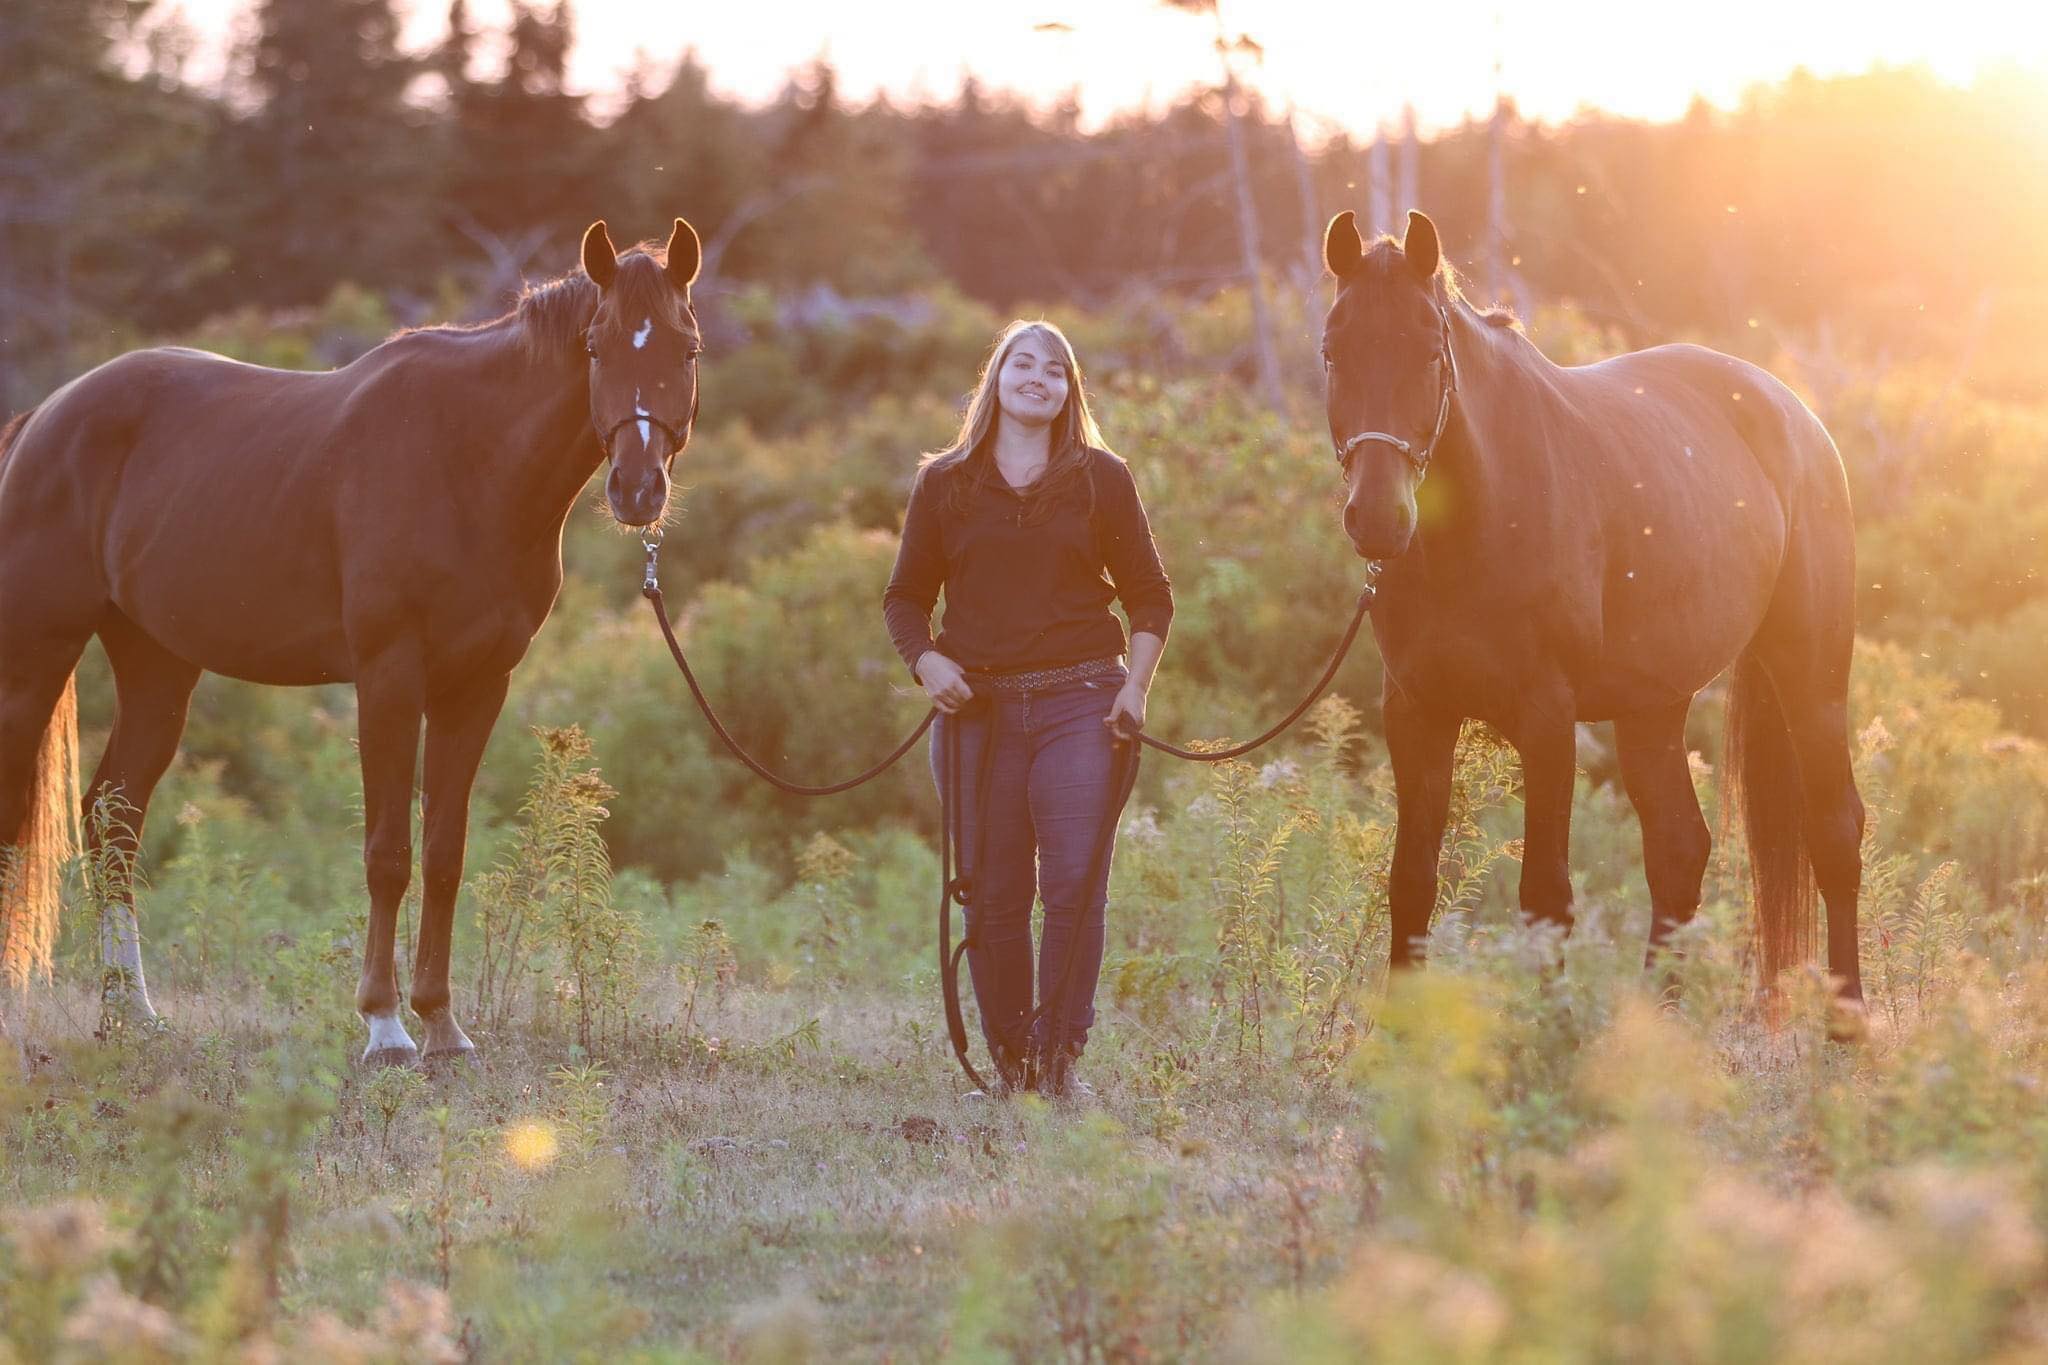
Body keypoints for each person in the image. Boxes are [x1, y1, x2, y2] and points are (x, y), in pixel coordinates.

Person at [883, 320, 1173, 1098]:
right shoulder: (943, 483)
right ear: (997, 378)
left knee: (1074, 885)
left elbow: (1150, 596)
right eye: (1023, 361)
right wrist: (928, 660)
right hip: (976, 712)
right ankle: (1013, 1062)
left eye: (1054, 367)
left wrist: (1134, 686)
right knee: (995, 892)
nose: (1037, 375)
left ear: (1068, 389)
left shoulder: (1102, 478)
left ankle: (1057, 1059)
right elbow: (906, 599)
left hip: (1083, 699)